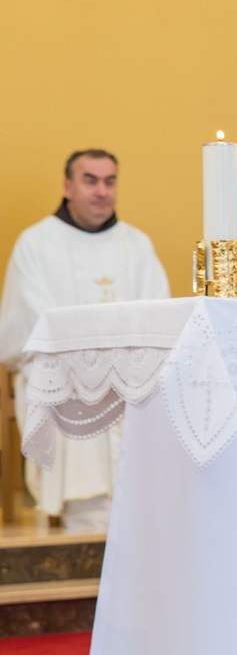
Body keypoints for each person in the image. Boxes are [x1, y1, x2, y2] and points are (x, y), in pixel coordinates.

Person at [0, 150, 169, 532]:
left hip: (130, 375)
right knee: (81, 394)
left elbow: (156, 316)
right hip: (63, 374)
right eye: (90, 180)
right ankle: (86, 519)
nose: (101, 191)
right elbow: (29, 324)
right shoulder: (37, 243)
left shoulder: (137, 245)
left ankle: (150, 518)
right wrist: (91, 359)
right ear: (67, 186)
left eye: (110, 181)